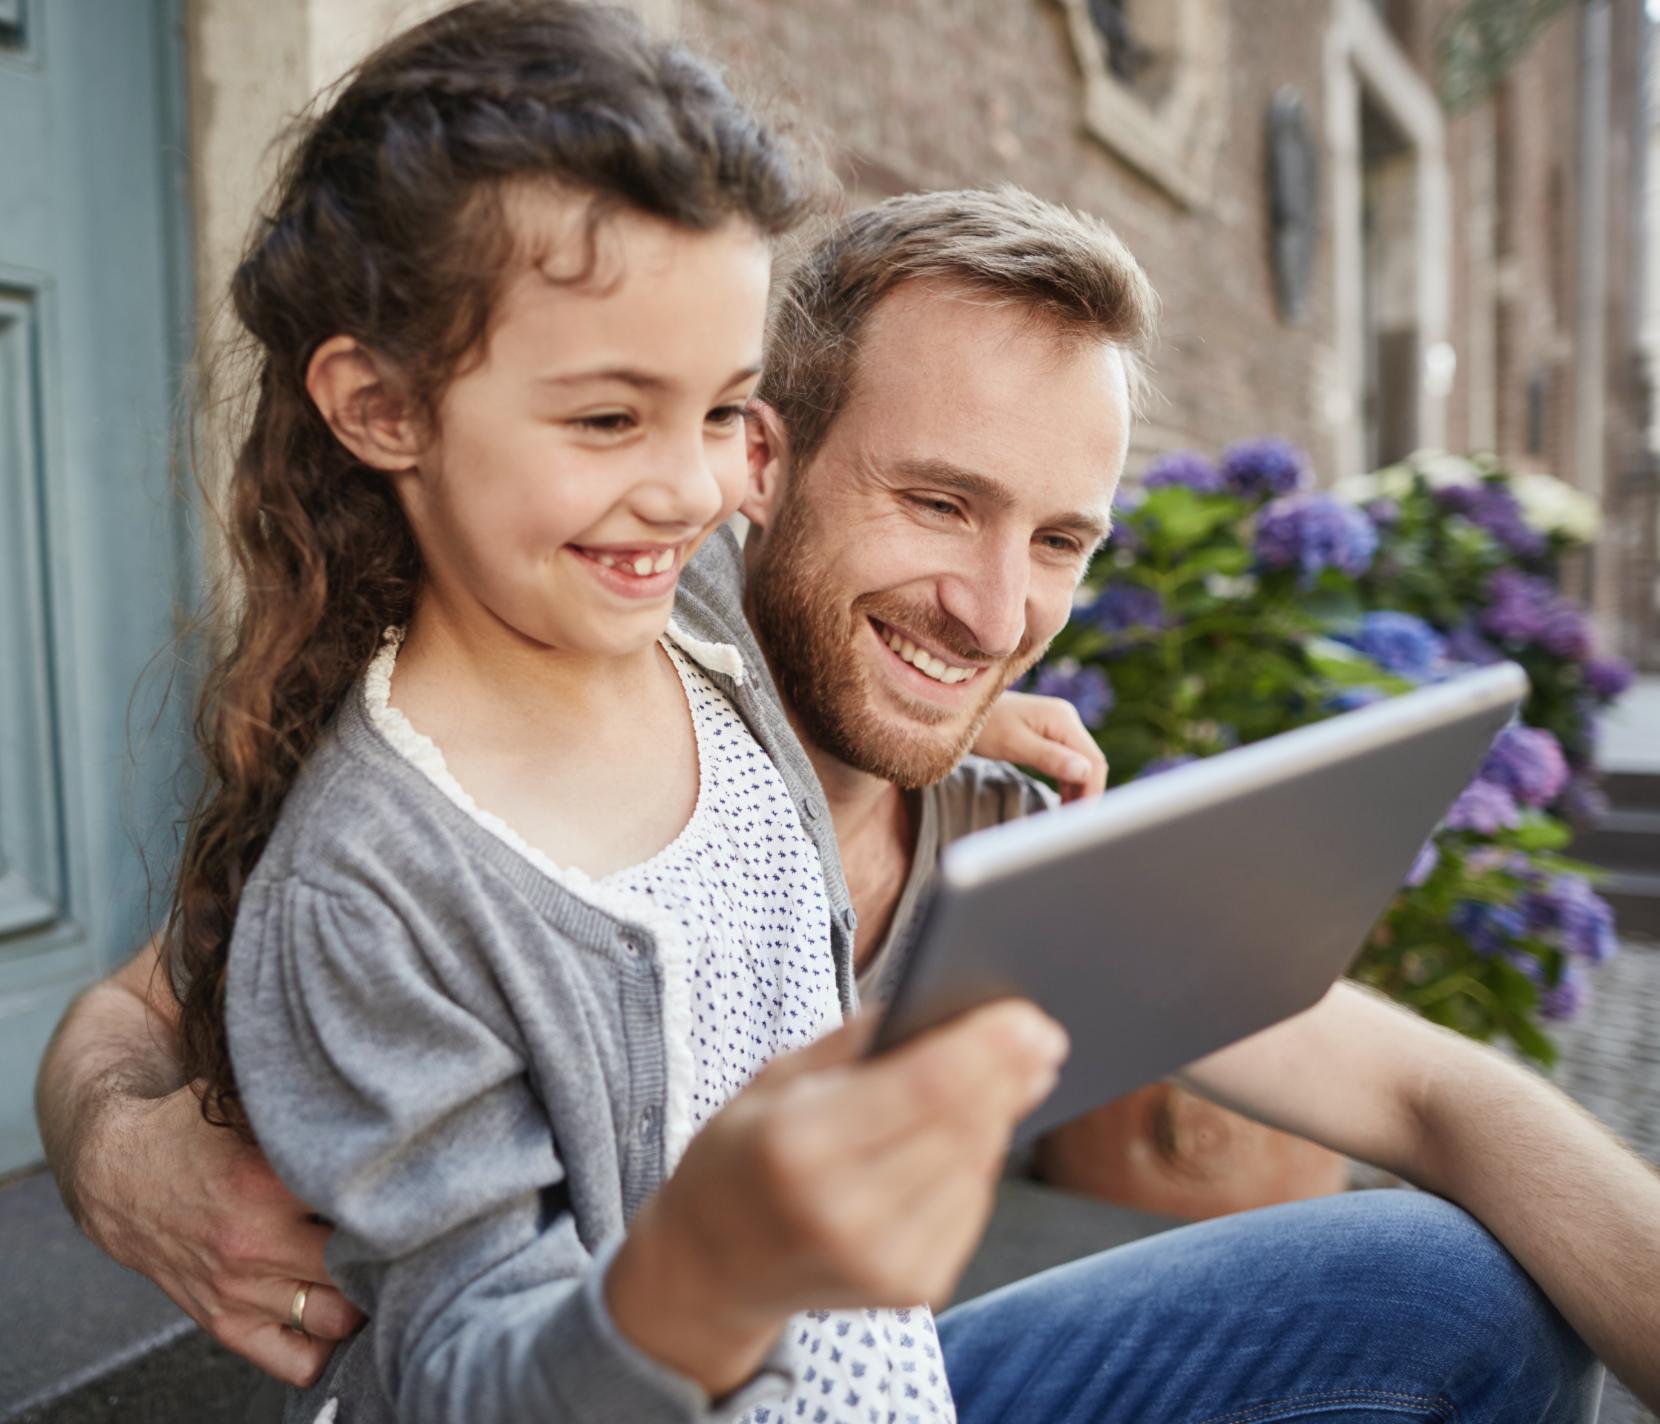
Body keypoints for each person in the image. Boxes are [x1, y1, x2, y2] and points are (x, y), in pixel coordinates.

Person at [35, 67, 1659, 1424]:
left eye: (1060, 540)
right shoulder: (500, 768)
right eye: (938, 501)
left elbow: (1427, 1092)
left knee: (1451, 1292)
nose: (994, 610)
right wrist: (118, 1152)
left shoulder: (992, 810)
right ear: (774, 468)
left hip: (857, 1386)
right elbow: (163, 998)